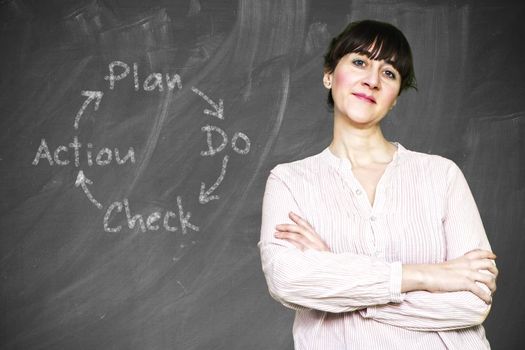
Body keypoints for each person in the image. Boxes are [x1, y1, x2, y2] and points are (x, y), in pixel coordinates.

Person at [258, 19, 498, 350]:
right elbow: (288, 280)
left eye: (389, 73)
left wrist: (337, 277)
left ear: (395, 96)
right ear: (329, 74)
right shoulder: (290, 181)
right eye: (360, 62)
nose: (372, 80)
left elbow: (473, 301)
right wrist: (425, 276)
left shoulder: (442, 175)